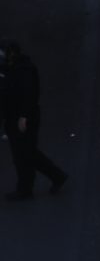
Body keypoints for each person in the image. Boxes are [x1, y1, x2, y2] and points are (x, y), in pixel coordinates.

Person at [2, 41, 67, 198]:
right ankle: (51, 178)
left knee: (24, 153)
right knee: (25, 153)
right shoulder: (12, 68)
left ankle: (28, 187)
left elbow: (30, 95)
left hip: (23, 117)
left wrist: (24, 116)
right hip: (13, 116)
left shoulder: (24, 70)